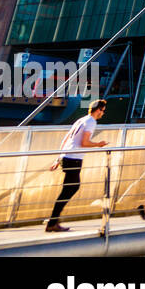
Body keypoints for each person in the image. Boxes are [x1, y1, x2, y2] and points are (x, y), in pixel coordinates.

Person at [45, 99, 108, 233]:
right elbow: (84, 143)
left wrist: (58, 158)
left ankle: (53, 220)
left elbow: (67, 138)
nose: (103, 113)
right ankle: (52, 222)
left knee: (69, 188)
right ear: (98, 110)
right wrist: (98, 144)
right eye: (103, 111)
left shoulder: (82, 120)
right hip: (73, 159)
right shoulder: (91, 122)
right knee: (71, 188)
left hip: (66, 156)